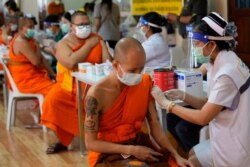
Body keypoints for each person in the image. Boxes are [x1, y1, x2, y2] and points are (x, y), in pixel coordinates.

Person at [152, 12, 250, 167]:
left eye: (198, 44)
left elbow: (203, 117)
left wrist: (168, 105)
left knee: (192, 161)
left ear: (211, 45)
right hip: (226, 135)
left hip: (235, 146)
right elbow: (211, 103)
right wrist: (184, 96)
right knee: (192, 154)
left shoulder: (227, 73)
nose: (195, 48)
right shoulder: (221, 60)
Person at [84, 37, 192, 167]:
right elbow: (91, 143)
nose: (138, 74)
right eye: (132, 70)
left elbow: (156, 128)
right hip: (108, 151)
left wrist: (177, 155)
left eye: (141, 69)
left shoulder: (144, 83)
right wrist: (131, 150)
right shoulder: (96, 94)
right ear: (115, 65)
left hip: (138, 144)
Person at [41, 11, 111, 154]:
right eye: (81, 25)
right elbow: (70, 61)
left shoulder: (97, 39)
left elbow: (108, 63)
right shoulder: (63, 43)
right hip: (68, 85)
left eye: (87, 24)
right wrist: (89, 45)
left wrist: (102, 45)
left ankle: (99, 139)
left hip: (94, 83)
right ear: (72, 27)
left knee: (95, 101)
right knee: (51, 101)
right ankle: (63, 141)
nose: (85, 27)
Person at [167, 0, 207, 67]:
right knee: (189, 65)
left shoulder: (198, 1)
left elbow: (194, 19)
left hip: (193, 39)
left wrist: (176, 18)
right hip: (186, 38)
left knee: (194, 66)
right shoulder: (188, 1)